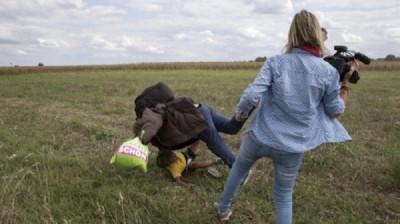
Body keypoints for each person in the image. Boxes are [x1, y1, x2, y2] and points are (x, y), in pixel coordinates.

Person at [216, 9, 358, 222]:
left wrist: (240, 116)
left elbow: (252, 94)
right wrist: (344, 83)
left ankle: (222, 210)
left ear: (292, 34)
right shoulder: (328, 72)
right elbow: (335, 111)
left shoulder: (275, 62)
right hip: (292, 146)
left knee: (238, 170)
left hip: (259, 136)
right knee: (283, 195)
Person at [156, 140, 224, 189]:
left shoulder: (166, 154)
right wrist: (186, 185)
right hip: (188, 165)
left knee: (196, 139)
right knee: (199, 164)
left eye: (173, 154)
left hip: (187, 154)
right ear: (169, 163)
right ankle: (217, 161)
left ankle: (200, 133)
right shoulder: (174, 169)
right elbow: (178, 181)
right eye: (173, 158)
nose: (175, 156)